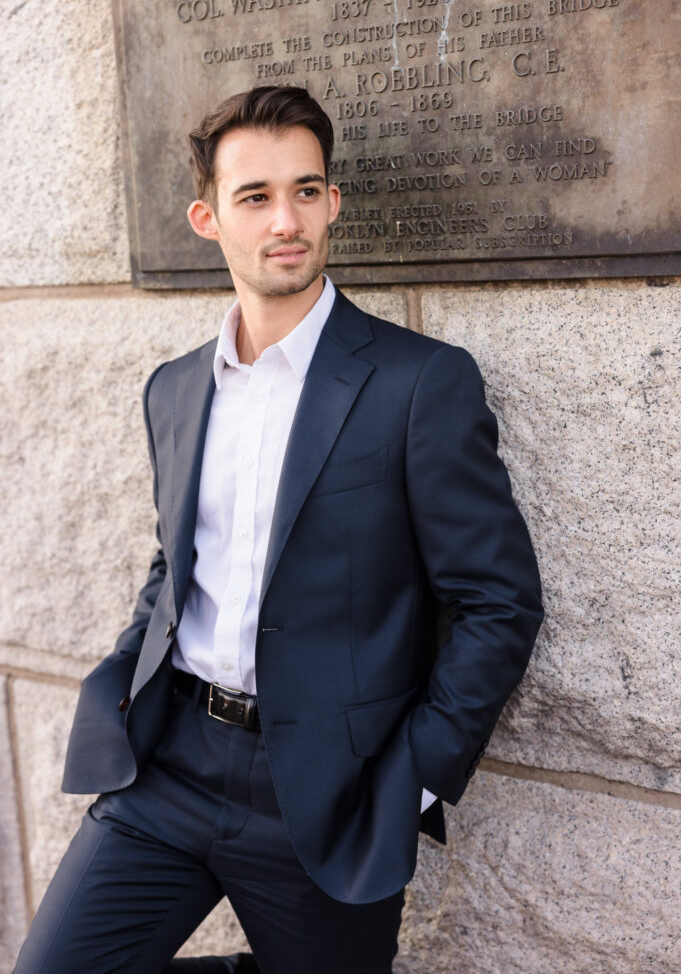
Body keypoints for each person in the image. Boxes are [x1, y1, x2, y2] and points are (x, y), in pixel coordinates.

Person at [14, 85, 543, 974]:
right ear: (207, 218)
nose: (285, 220)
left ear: (333, 202)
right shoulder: (175, 389)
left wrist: (409, 778)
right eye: (254, 197)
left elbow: (498, 601)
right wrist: (128, 669)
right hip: (168, 766)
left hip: (329, 797)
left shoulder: (419, 384)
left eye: (305, 190)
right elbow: (175, 563)